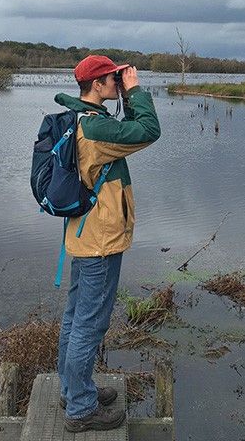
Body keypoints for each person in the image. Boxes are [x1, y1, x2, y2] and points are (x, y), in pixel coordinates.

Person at [54, 55, 161, 432]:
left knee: (75, 316)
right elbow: (148, 130)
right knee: (91, 321)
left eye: (120, 78)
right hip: (100, 240)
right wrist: (135, 92)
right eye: (112, 79)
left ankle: (72, 389)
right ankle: (81, 410)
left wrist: (126, 94)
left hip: (84, 234)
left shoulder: (83, 119)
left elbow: (129, 129)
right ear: (96, 86)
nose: (117, 82)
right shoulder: (96, 130)